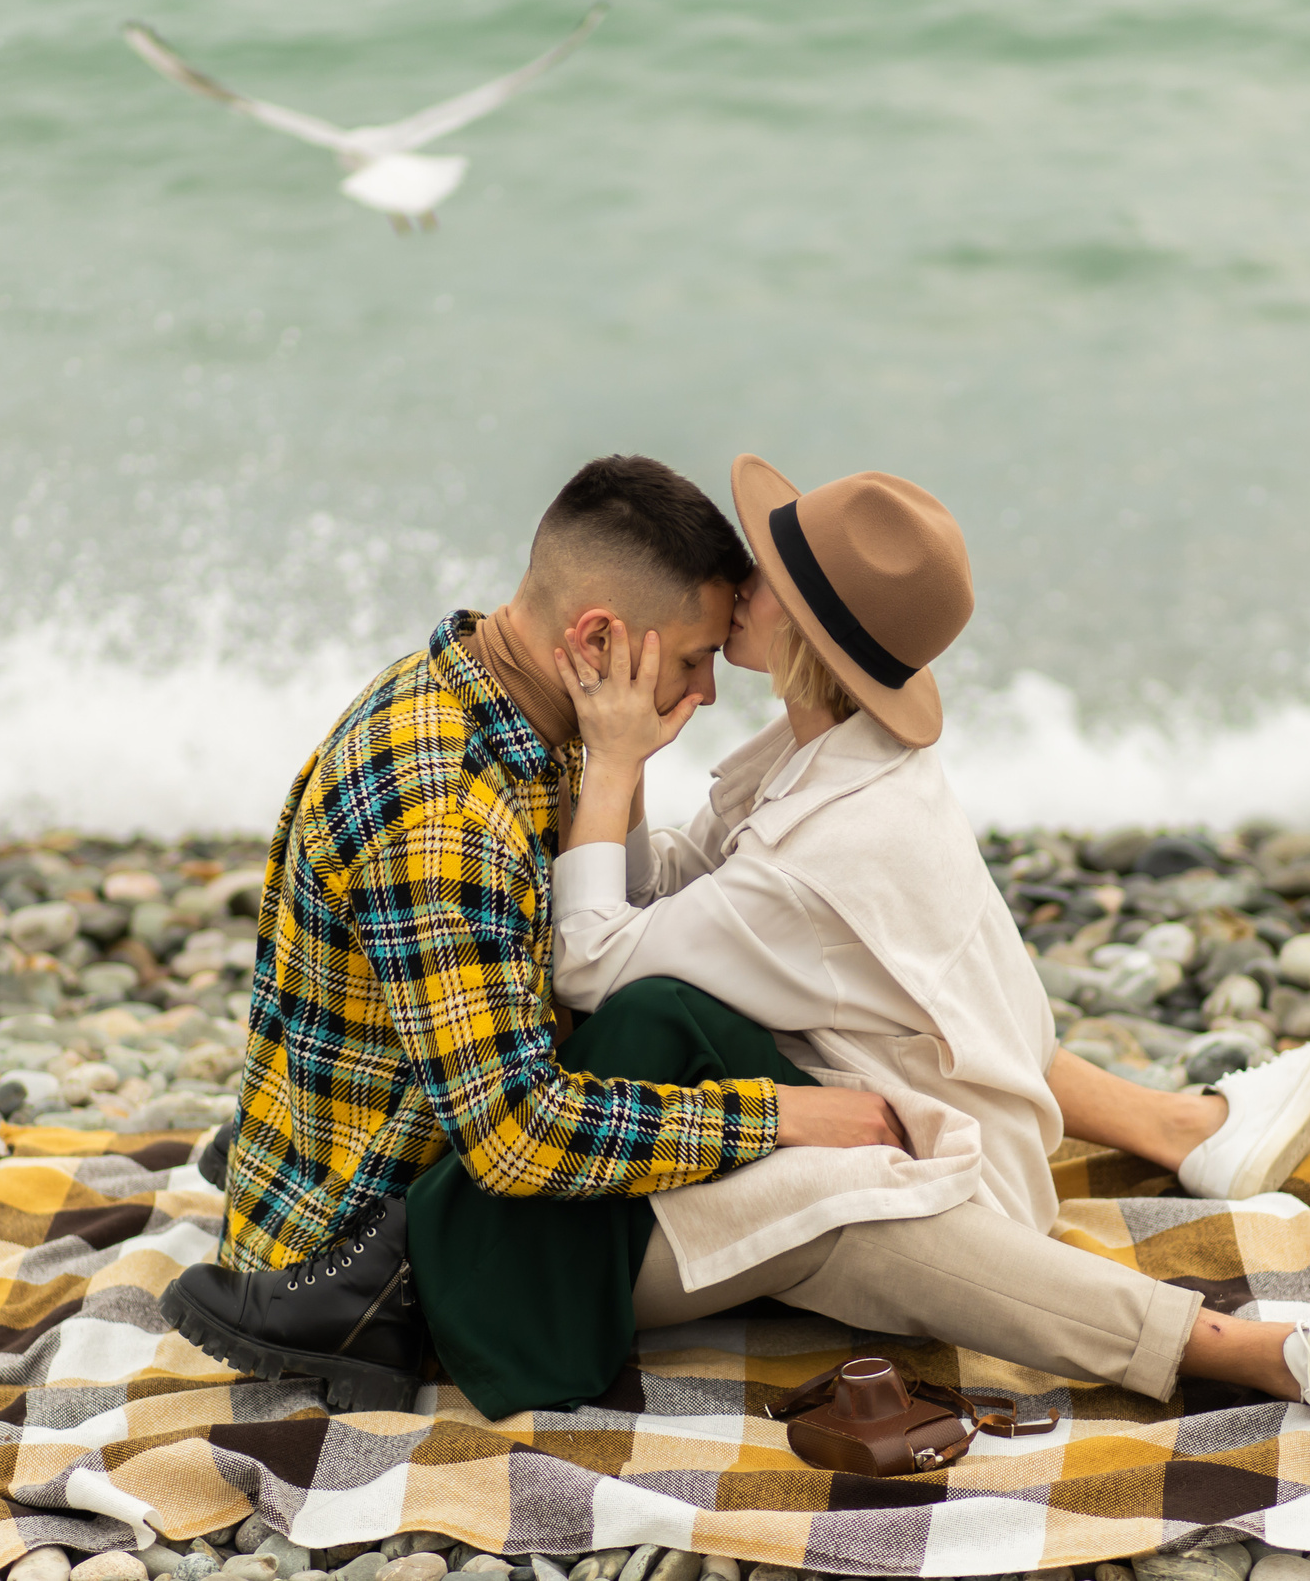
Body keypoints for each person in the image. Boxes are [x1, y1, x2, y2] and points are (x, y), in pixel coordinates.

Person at [394, 457, 1310, 1425]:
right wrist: (619, 758)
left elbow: (593, 957)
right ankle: (1189, 1142)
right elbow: (661, 905)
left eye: (763, 576)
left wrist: (613, 760)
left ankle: (1269, 1356)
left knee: (819, 1180)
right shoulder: (832, 755)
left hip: (934, 1168)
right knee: (669, 1014)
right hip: (886, 1100)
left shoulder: (825, 845)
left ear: (798, 634)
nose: (737, 582)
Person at [161, 455, 904, 1412]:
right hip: (392, 1237)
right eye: (692, 658)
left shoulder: (506, 695)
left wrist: (618, 762)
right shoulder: (445, 811)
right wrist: (777, 1116)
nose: (710, 691)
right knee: (689, 1044)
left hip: (423, 1115)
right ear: (597, 636)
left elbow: (596, 930)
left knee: (670, 1006)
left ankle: (289, 1149)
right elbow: (516, 1140)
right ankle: (348, 1269)